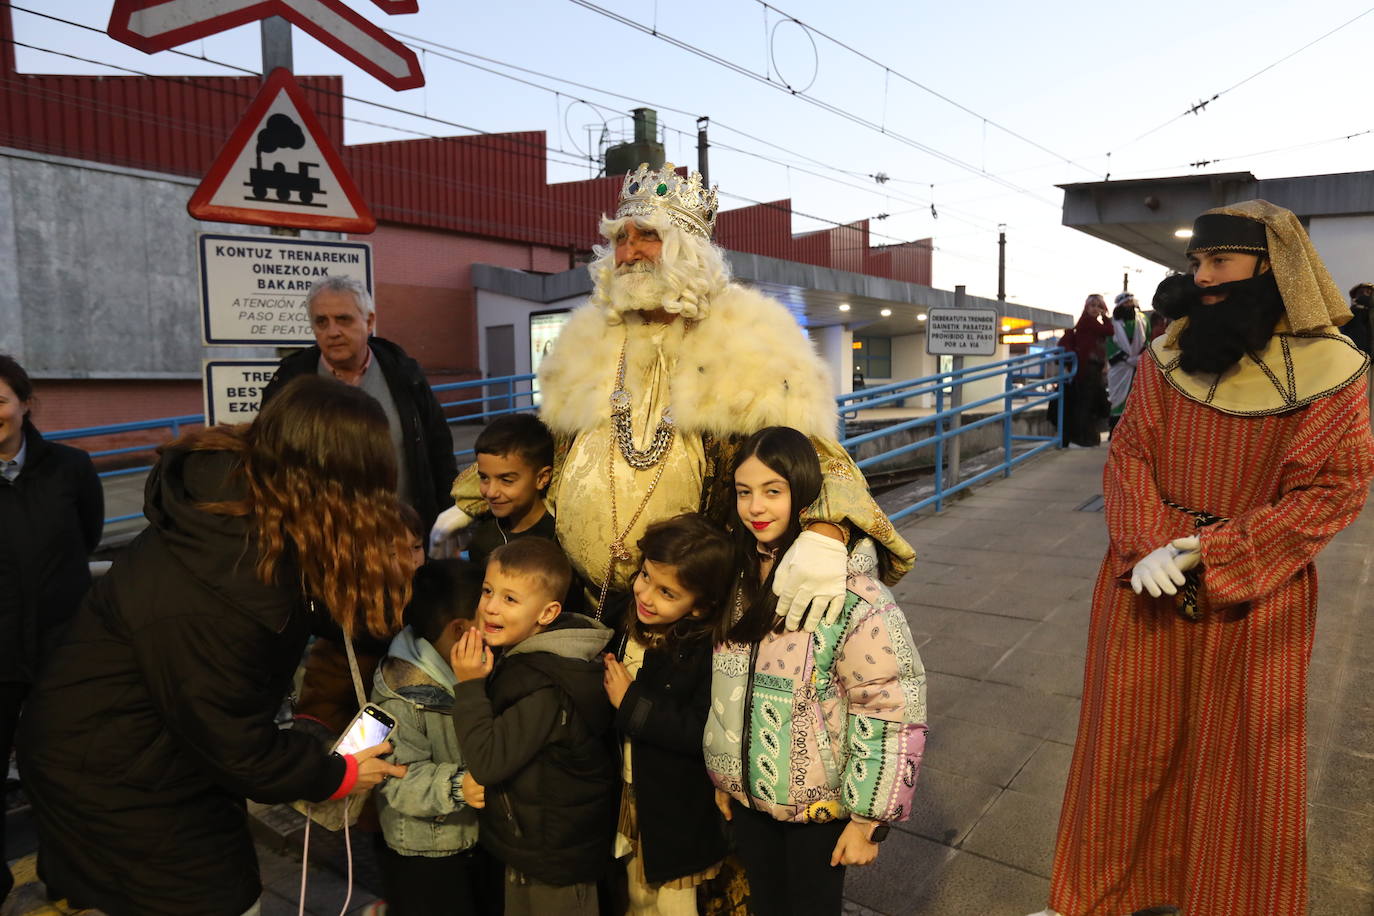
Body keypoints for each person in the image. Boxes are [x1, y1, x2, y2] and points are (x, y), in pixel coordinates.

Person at [1034, 200, 1374, 916]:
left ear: (1268, 266)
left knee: (1243, 766)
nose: (1203, 278)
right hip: (1146, 580)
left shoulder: (1335, 371)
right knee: (1123, 749)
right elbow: (1129, 456)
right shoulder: (1167, 353)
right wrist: (1144, 543)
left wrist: (1216, 551)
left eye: (1219, 262)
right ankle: (1095, 898)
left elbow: (1333, 489)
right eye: (1197, 263)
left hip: (1258, 593)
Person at [432, 163, 913, 632]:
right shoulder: (587, 339)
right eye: (620, 238)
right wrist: (474, 495)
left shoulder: (753, 337)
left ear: (689, 251)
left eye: (647, 235)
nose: (629, 251)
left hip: (696, 607)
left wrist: (826, 531)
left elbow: (808, 453)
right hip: (578, 596)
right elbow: (548, 447)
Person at [17, 376, 410, 916]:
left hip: (142, 750)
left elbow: (305, 600)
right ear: (342, 480)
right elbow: (237, 746)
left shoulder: (238, 513)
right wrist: (335, 773)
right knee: (217, 897)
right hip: (112, 773)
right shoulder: (223, 581)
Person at [703, 427, 927, 916]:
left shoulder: (851, 595)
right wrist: (727, 777)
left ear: (804, 493)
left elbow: (889, 704)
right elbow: (728, 692)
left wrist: (869, 819)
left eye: (773, 491)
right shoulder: (737, 580)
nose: (755, 508)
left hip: (820, 811)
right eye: (744, 492)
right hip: (751, 801)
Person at [449, 537, 617, 916]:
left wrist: (469, 685)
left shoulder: (547, 682)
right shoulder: (526, 658)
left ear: (547, 613)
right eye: (488, 591)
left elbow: (488, 762)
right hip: (534, 845)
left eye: (510, 599)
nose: (490, 607)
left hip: (555, 858)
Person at [0, 355, 103, 905]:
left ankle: (71, 882)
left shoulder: (70, 468)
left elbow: (86, 539)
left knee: (65, 772)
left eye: (0, 399)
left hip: (60, 651)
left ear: (25, 404)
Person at [601, 514, 733, 915]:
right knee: (637, 895)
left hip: (675, 807)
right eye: (645, 576)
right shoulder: (627, 619)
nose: (646, 595)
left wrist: (631, 703)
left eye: (667, 592)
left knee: (674, 904)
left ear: (700, 606)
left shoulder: (704, 651)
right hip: (630, 789)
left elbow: (700, 731)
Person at [261, 275, 457, 531]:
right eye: (321, 322)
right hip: (321, 542)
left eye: (344, 319)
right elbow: (266, 462)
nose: (332, 332)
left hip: (403, 537)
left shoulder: (404, 375)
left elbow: (438, 450)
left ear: (370, 321)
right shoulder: (289, 384)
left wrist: (448, 522)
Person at [372, 558, 498, 916]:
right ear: (460, 630)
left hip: (468, 839)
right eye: (487, 618)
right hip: (425, 852)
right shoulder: (402, 695)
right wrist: (459, 785)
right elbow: (397, 780)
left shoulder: (465, 665)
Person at [465, 412, 557, 571]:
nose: (491, 492)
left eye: (506, 480)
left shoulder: (559, 540)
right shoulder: (483, 538)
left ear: (542, 478)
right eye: (484, 478)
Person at [1065, 294, 1112, 447]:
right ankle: (1081, 439)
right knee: (1086, 404)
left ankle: (1086, 438)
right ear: (1086, 307)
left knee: (1089, 404)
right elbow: (1109, 330)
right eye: (1093, 305)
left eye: (1099, 306)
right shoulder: (1087, 321)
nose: (1095, 309)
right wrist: (1105, 315)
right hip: (1087, 367)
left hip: (1091, 367)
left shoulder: (1088, 322)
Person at [1105, 292, 1149, 434]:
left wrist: (1139, 357)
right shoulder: (1112, 323)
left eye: (1131, 302)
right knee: (1117, 397)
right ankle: (1116, 429)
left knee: (1137, 396)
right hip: (1119, 367)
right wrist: (1125, 358)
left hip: (1139, 364)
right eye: (1126, 303)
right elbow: (1109, 343)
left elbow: (1147, 339)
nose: (1129, 305)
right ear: (1119, 305)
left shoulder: (1143, 319)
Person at [1345, 281, 1373, 356]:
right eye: (1361, 293)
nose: (1365, 294)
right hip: (1356, 355)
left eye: (1369, 292)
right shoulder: (1349, 314)